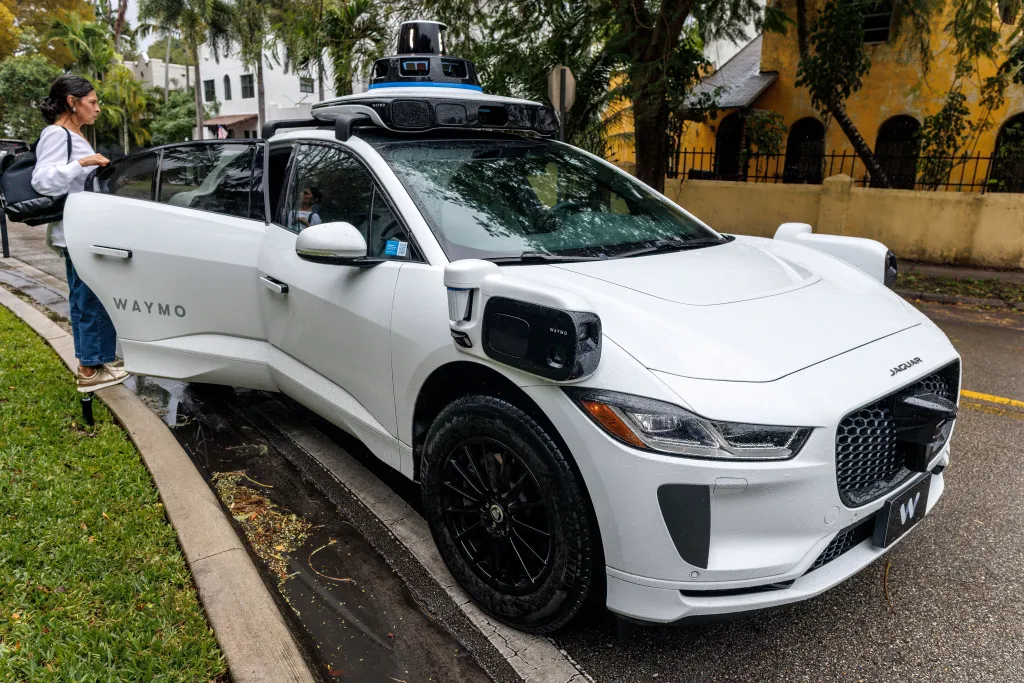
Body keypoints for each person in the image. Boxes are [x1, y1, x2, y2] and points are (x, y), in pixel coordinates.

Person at [32, 74, 129, 392]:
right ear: (72, 103)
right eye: (93, 101)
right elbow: (42, 180)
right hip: (75, 230)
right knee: (89, 297)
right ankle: (90, 367)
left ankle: (95, 361)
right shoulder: (57, 134)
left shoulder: (73, 135)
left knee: (89, 295)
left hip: (83, 228)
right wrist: (83, 163)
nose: (98, 108)